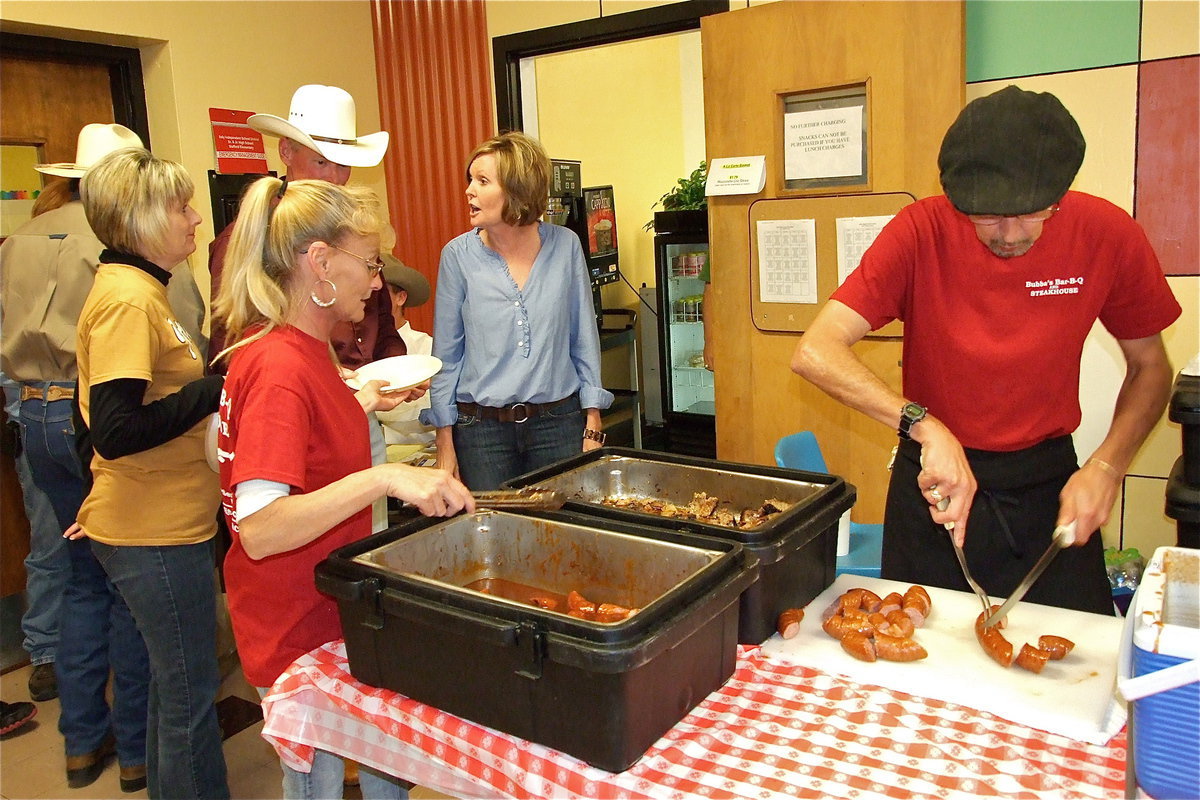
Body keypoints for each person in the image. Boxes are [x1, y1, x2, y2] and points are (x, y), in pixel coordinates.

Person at [790, 86, 1181, 615]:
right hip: (935, 488)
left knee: (1074, 663)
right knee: (921, 660)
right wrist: (923, 425)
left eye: (1030, 214)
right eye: (987, 217)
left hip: (1048, 489)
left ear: (1059, 194)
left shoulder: (1107, 234)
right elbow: (816, 350)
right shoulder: (919, 231)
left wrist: (1108, 467)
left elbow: (1151, 367)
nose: (1010, 234)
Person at [211, 175, 474, 800]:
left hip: (323, 611)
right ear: (320, 262)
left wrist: (358, 403)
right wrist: (384, 476)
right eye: (370, 263)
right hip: (294, 630)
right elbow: (262, 528)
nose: (377, 282)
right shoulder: (280, 369)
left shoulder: (295, 351)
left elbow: (297, 443)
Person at [1, 124, 158, 792]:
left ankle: (80, 742)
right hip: (89, 412)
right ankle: (132, 751)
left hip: (28, 408)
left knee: (74, 574)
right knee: (122, 578)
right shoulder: (111, 241)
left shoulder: (21, 237)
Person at [75, 147, 228, 799]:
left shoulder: (144, 291)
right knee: (191, 698)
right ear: (139, 221)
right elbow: (113, 429)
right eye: (181, 207)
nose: (196, 219)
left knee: (175, 693)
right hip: (153, 534)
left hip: (163, 522)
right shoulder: (128, 302)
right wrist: (215, 388)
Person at [422, 132, 613, 490]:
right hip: (480, 434)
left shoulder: (566, 246)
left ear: (517, 189)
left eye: (482, 181)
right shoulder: (457, 257)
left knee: (562, 533)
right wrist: (444, 444)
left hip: (558, 424)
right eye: (470, 180)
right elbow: (446, 356)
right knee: (493, 537)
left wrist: (593, 420)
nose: (469, 191)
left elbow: (583, 337)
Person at [207, 84, 400, 373]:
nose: (334, 178)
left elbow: (381, 318)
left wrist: (395, 371)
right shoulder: (252, 236)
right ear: (286, 151)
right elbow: (231, 344)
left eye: (344, 165)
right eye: (321, 162)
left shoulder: (353, 230)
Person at [377, 254, 435, 447]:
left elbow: (429, 414)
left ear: (400, 297)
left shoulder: (427, 349)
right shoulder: (349, 350)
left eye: (381, 294)